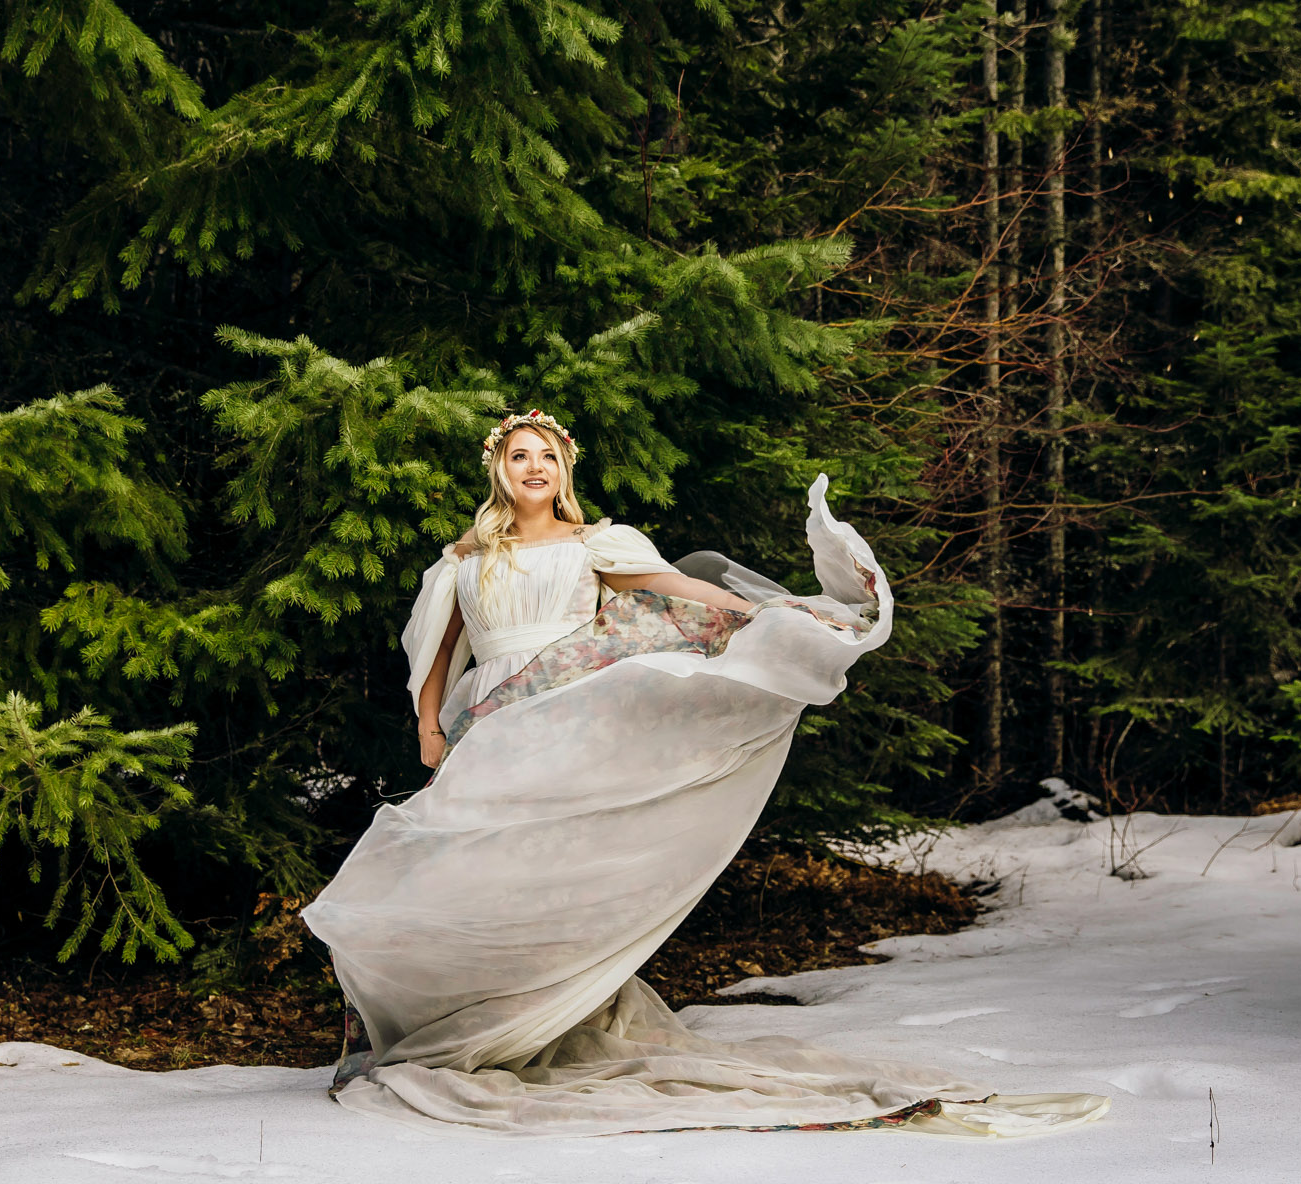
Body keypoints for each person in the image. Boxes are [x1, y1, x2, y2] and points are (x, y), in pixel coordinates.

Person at [299, 411, 1109, 1137]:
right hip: (492, 721)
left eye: (547, 455)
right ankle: (464, 1015)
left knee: (553, 867)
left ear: (564, 471)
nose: (534, 467)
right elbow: (441, 653)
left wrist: (768, 613)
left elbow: (676, 588)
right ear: (499, 470)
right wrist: (426, 729)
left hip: (571, 719)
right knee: (466, 866)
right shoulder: (463, 562)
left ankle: (545, 1013)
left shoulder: (597, 545)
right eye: (520, 455)